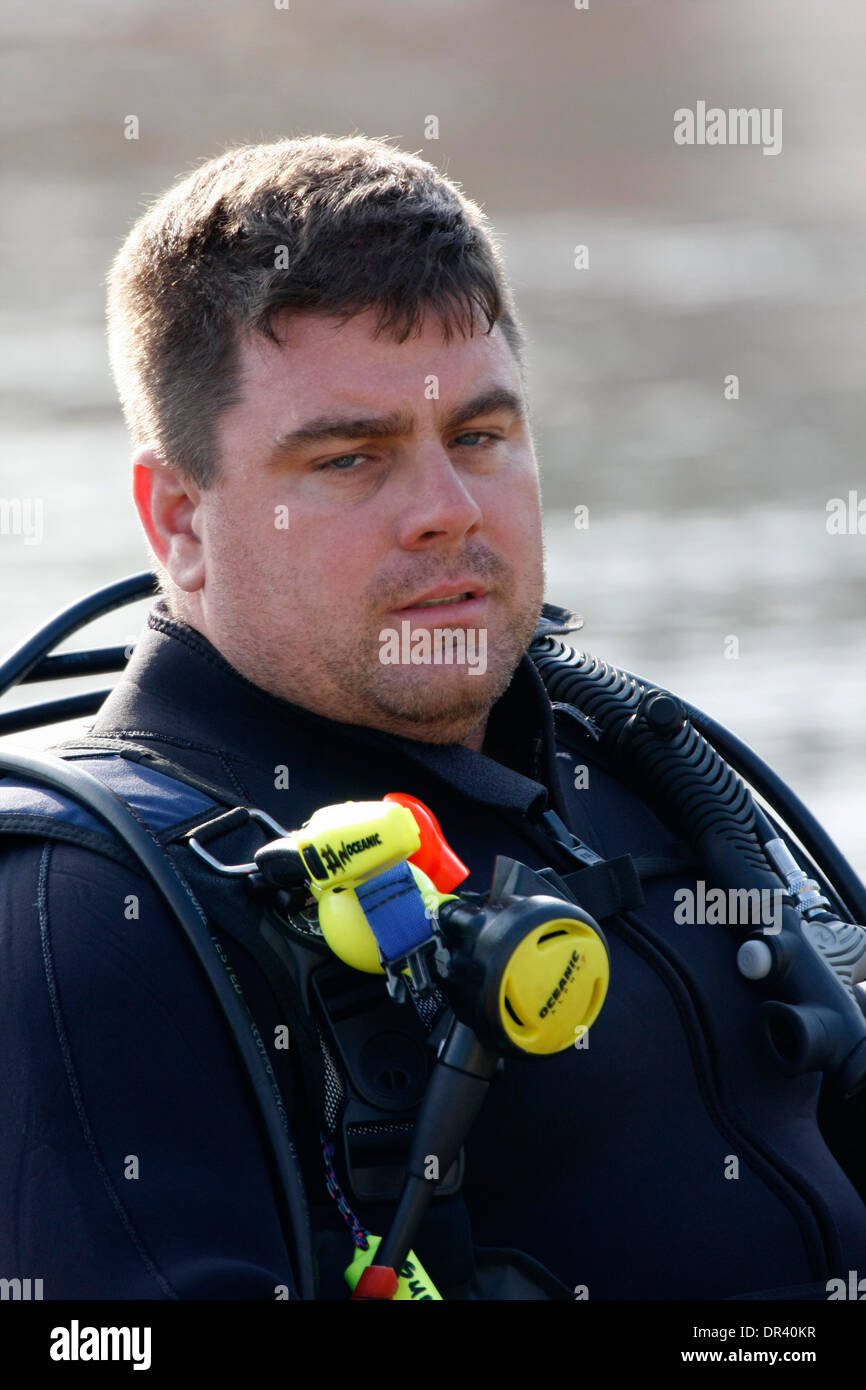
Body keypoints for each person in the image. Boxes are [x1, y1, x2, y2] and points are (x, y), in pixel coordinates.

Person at [1, 133, 865, 1302]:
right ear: (181, 522)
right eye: (352, 459)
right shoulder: (98, 919)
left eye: (478, 437)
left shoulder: (646, 768)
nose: (447, 512)